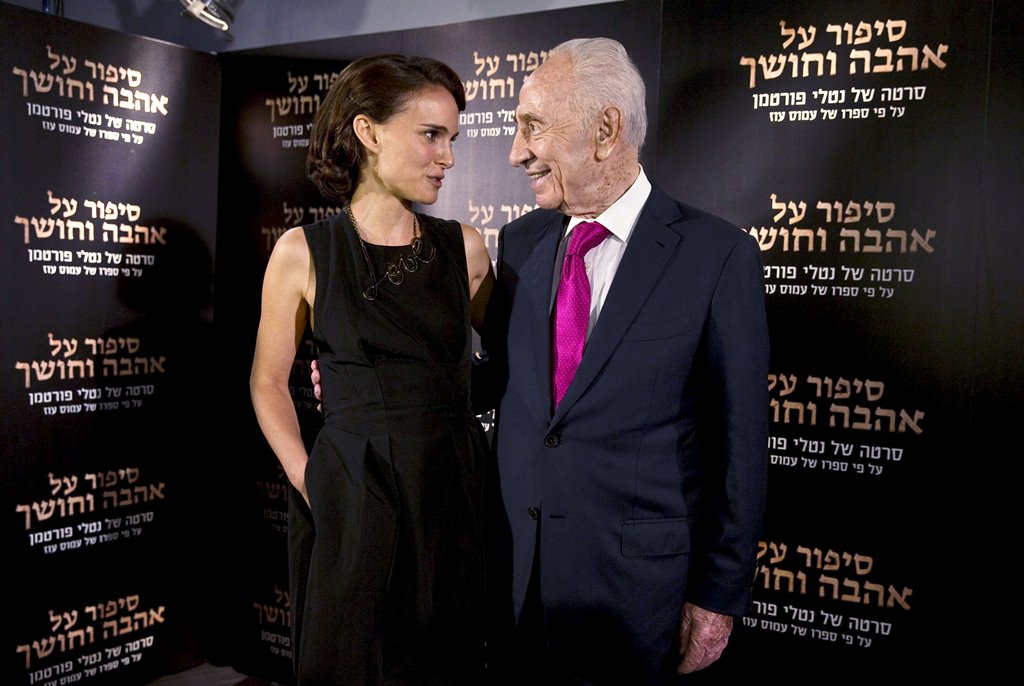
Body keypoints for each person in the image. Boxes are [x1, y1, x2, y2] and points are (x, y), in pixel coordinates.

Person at [475, 37, 770, 684]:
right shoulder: (520, 242)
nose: (515, 152)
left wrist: (719, 597)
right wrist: (380, 376)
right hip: (521, 581)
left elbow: (739, 447)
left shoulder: (717, 258)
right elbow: (497, 383)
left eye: (532, 128)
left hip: (637, 596)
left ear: (605, 130)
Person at [249, 53, 493, 686]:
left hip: (451, 494)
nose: (449, 157)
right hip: (352, 492)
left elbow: (509, 368)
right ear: (369, 131)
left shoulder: (464, 249)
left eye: (453, 139)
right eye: (431, 135)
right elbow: (268, 381)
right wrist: (312, 479)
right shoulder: (303, 251)